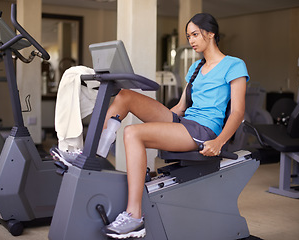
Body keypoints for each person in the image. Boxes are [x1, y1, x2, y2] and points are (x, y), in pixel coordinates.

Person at [102, 12, 249, 239]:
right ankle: (95, 154)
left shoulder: (234, 65)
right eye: (188, 36)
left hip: (203, 130)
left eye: (195, 34)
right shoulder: (196, 68)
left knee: (133, 133)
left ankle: (134, 217)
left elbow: (238, 112)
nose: (191, 40)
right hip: (184, 122)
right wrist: (162, 125)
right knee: (125, 96)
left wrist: (219, 142)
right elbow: (180, 107)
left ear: (211, 34)